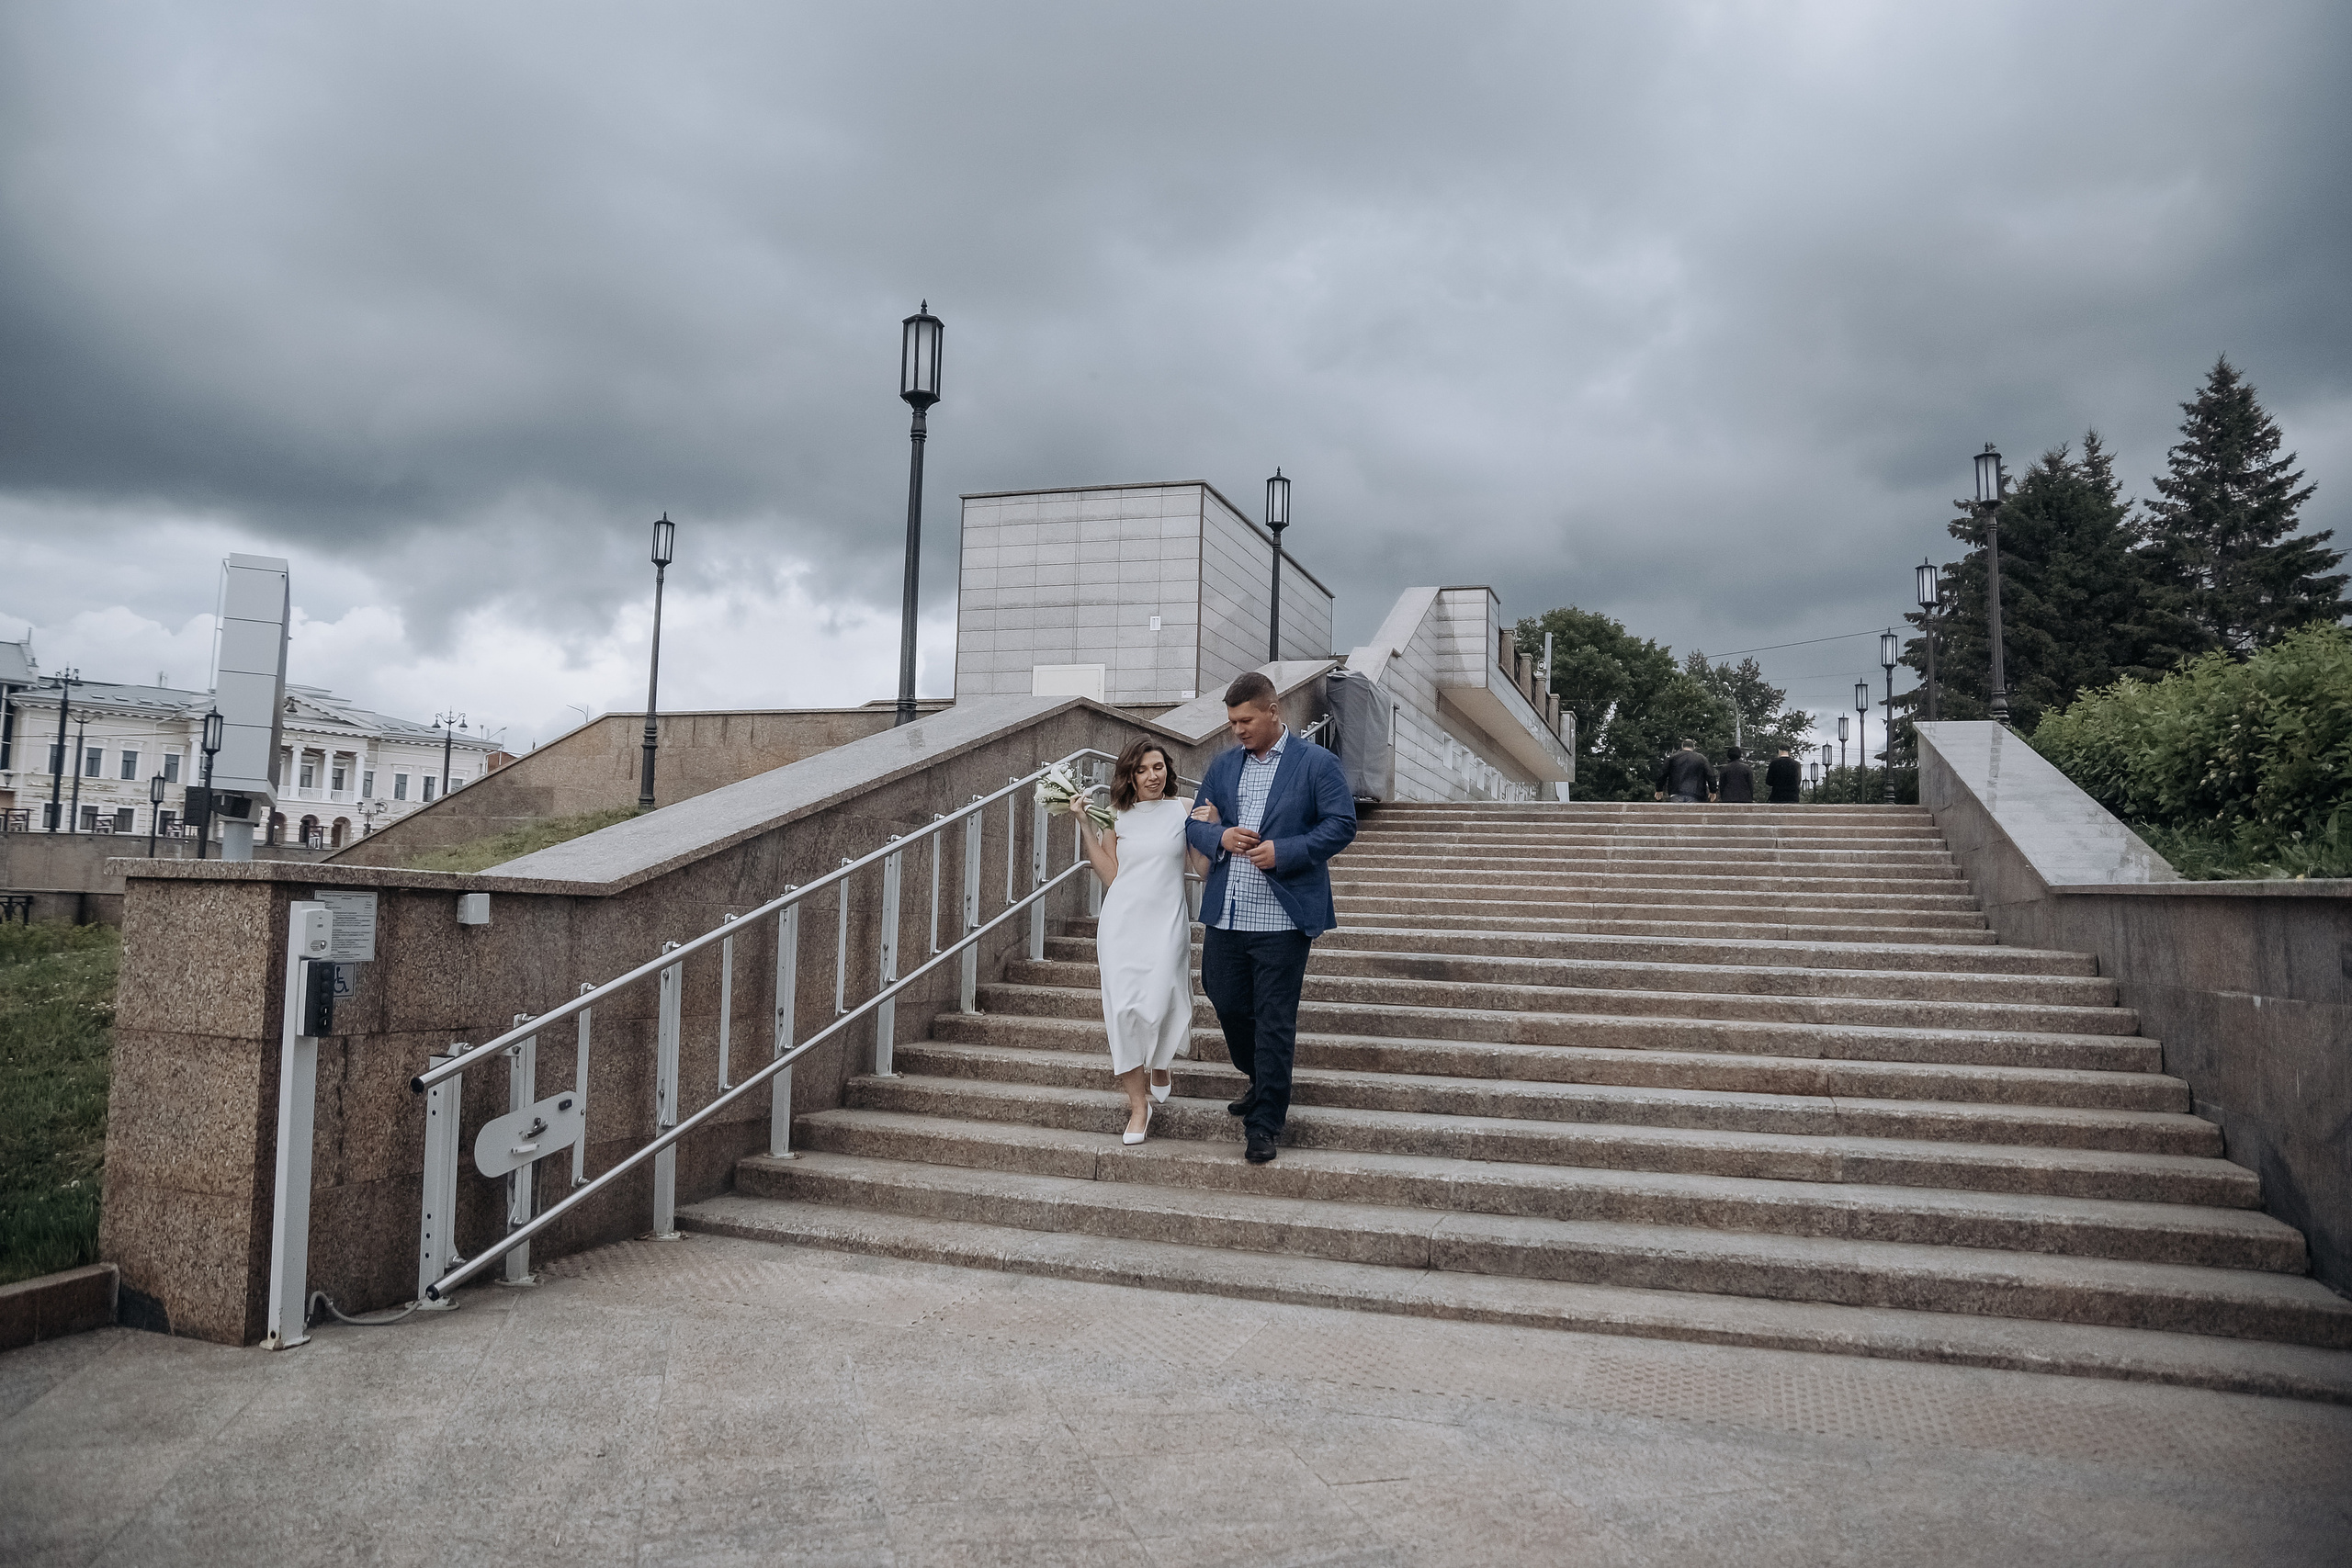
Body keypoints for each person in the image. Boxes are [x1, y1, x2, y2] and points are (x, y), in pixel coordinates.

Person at [1184, 671, 1358, 1164]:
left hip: (1283, 918)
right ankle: (1262, 1077)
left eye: (1246, 720)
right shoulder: (1222, 767)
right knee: (1224, 997)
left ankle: (1265, 1124)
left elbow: (1341, 825)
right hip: (1228, 912)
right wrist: (1217, 838)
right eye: (1232, 722)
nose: (1238, 729)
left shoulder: (1316, 763)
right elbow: (1193, 824)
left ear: (1273, 711)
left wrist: (1285, 851)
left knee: (1276, 1020)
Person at [1074, 739, 1205, 1145]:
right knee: (1124, 1011)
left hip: (1167, 921)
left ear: (1169, 770)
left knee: (1167, 994)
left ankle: (1162, 1060)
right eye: (1144, 769)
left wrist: (1209, 828)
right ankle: (1137, 1105)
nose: (1153, 775)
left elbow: (1201, 868)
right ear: (1131, 776)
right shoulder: (1117, 815)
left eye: (1159, 767)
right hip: (1122, 924)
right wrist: (1084, 825)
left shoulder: (1184, 809)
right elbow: (1111, 876)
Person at [1652, 739, 1715, 803]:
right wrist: (1713, 791)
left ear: (1682, 746)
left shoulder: (1673, 758)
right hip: (1696, 793)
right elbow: (1710, 775)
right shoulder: (1702, 759)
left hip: (1676, 793)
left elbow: (1663, 774)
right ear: (1694, 747)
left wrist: (1659, 789)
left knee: (1677, 812)